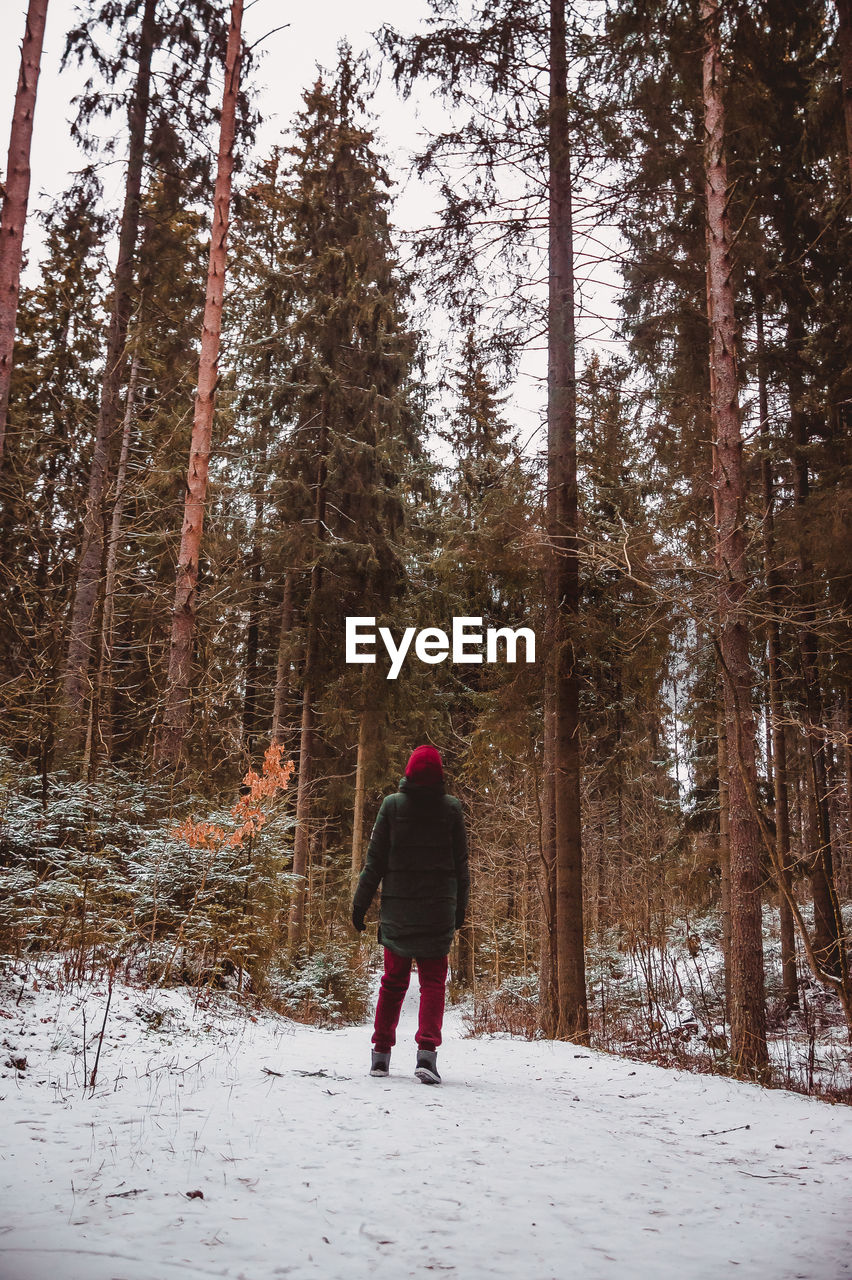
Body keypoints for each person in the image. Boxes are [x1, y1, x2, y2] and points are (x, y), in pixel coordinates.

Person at [351, 745, 469, 1085]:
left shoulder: (391, 806)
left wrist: (361, 904)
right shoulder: (451, 810)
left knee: (392, 983)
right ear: (440, 776)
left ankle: (381, 1056)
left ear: (409, 771)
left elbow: (374, 862)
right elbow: (462, 867)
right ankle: (427, 1056)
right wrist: (460, 907)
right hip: (437, 914)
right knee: (432, 983)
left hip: (397, 915)